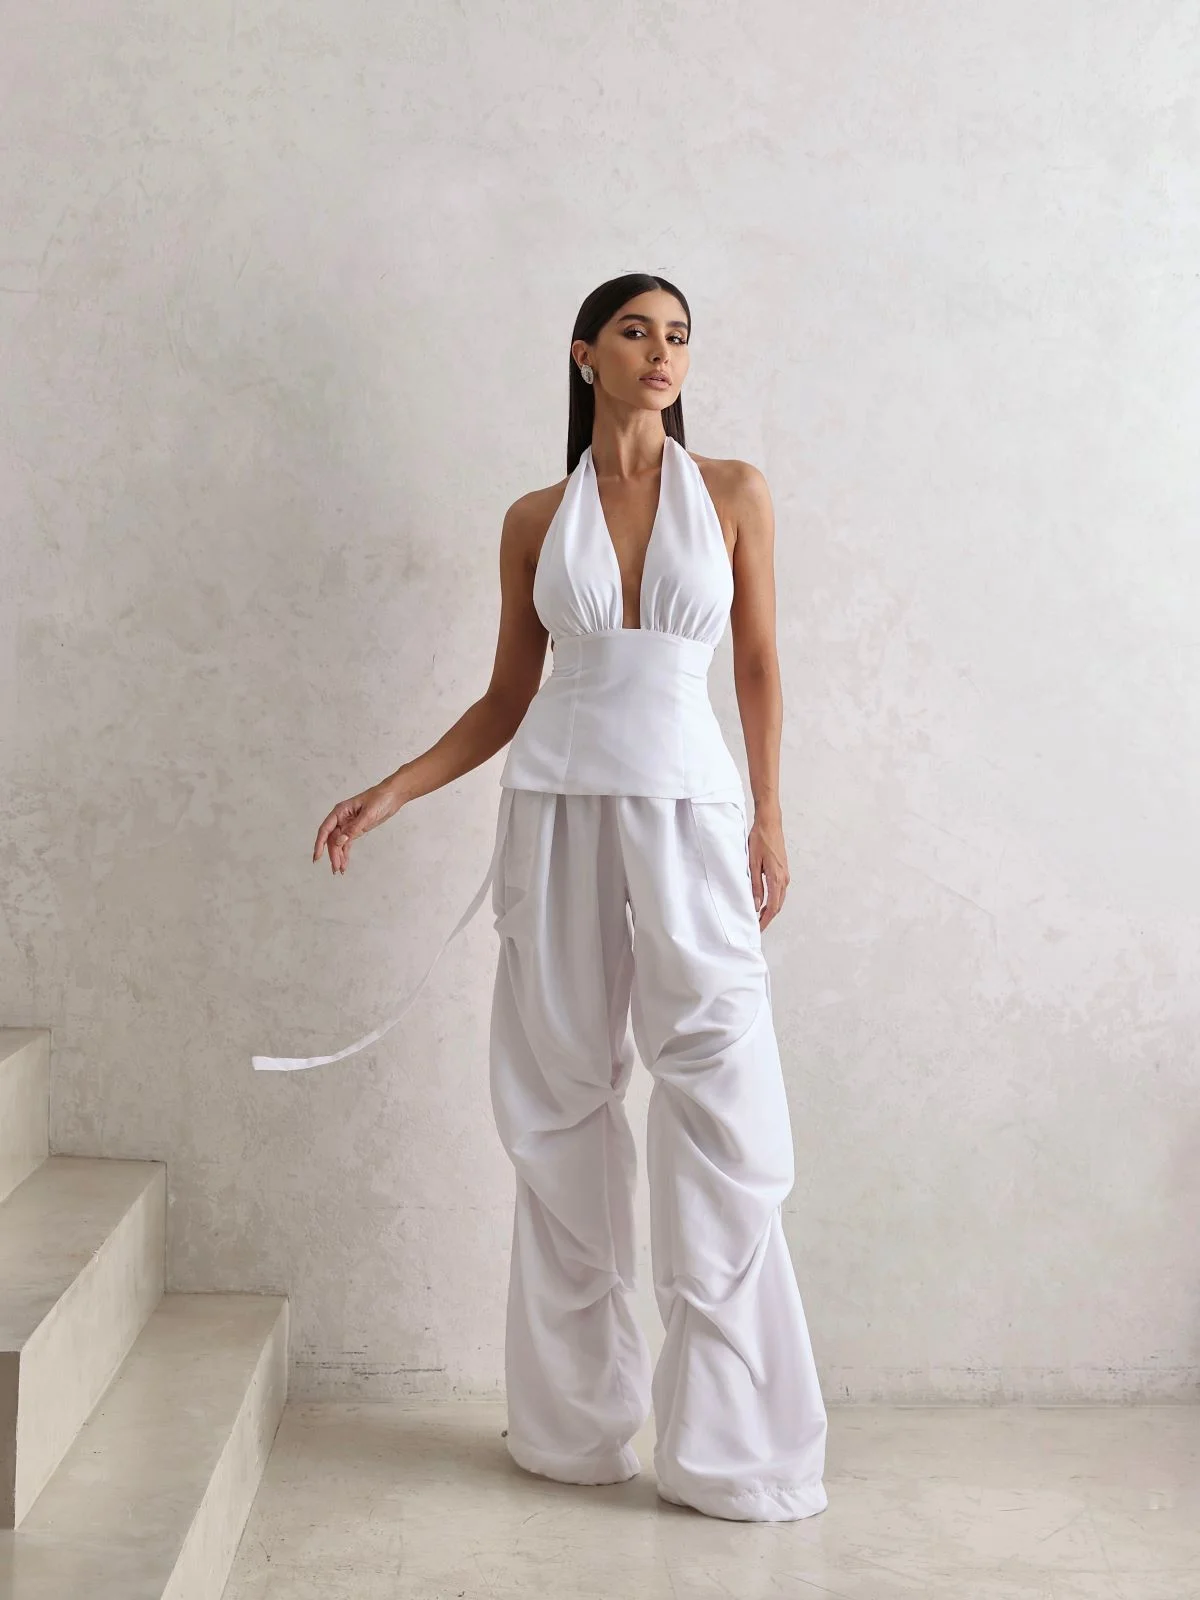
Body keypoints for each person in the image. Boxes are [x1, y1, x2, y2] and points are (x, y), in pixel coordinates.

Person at [252, 272, 829, 1522]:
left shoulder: (734, 492)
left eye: (679, 336)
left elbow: (759, 663)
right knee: (561, 1102)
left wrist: (771, 812)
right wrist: (393, 790)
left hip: (692, 811)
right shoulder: (532, 518)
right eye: (636, 331)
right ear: (585, 355)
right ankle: (573, 1429)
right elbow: (507, 698)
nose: (662, 352)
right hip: (556, 807)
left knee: (721, 1098)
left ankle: (736, 1448)